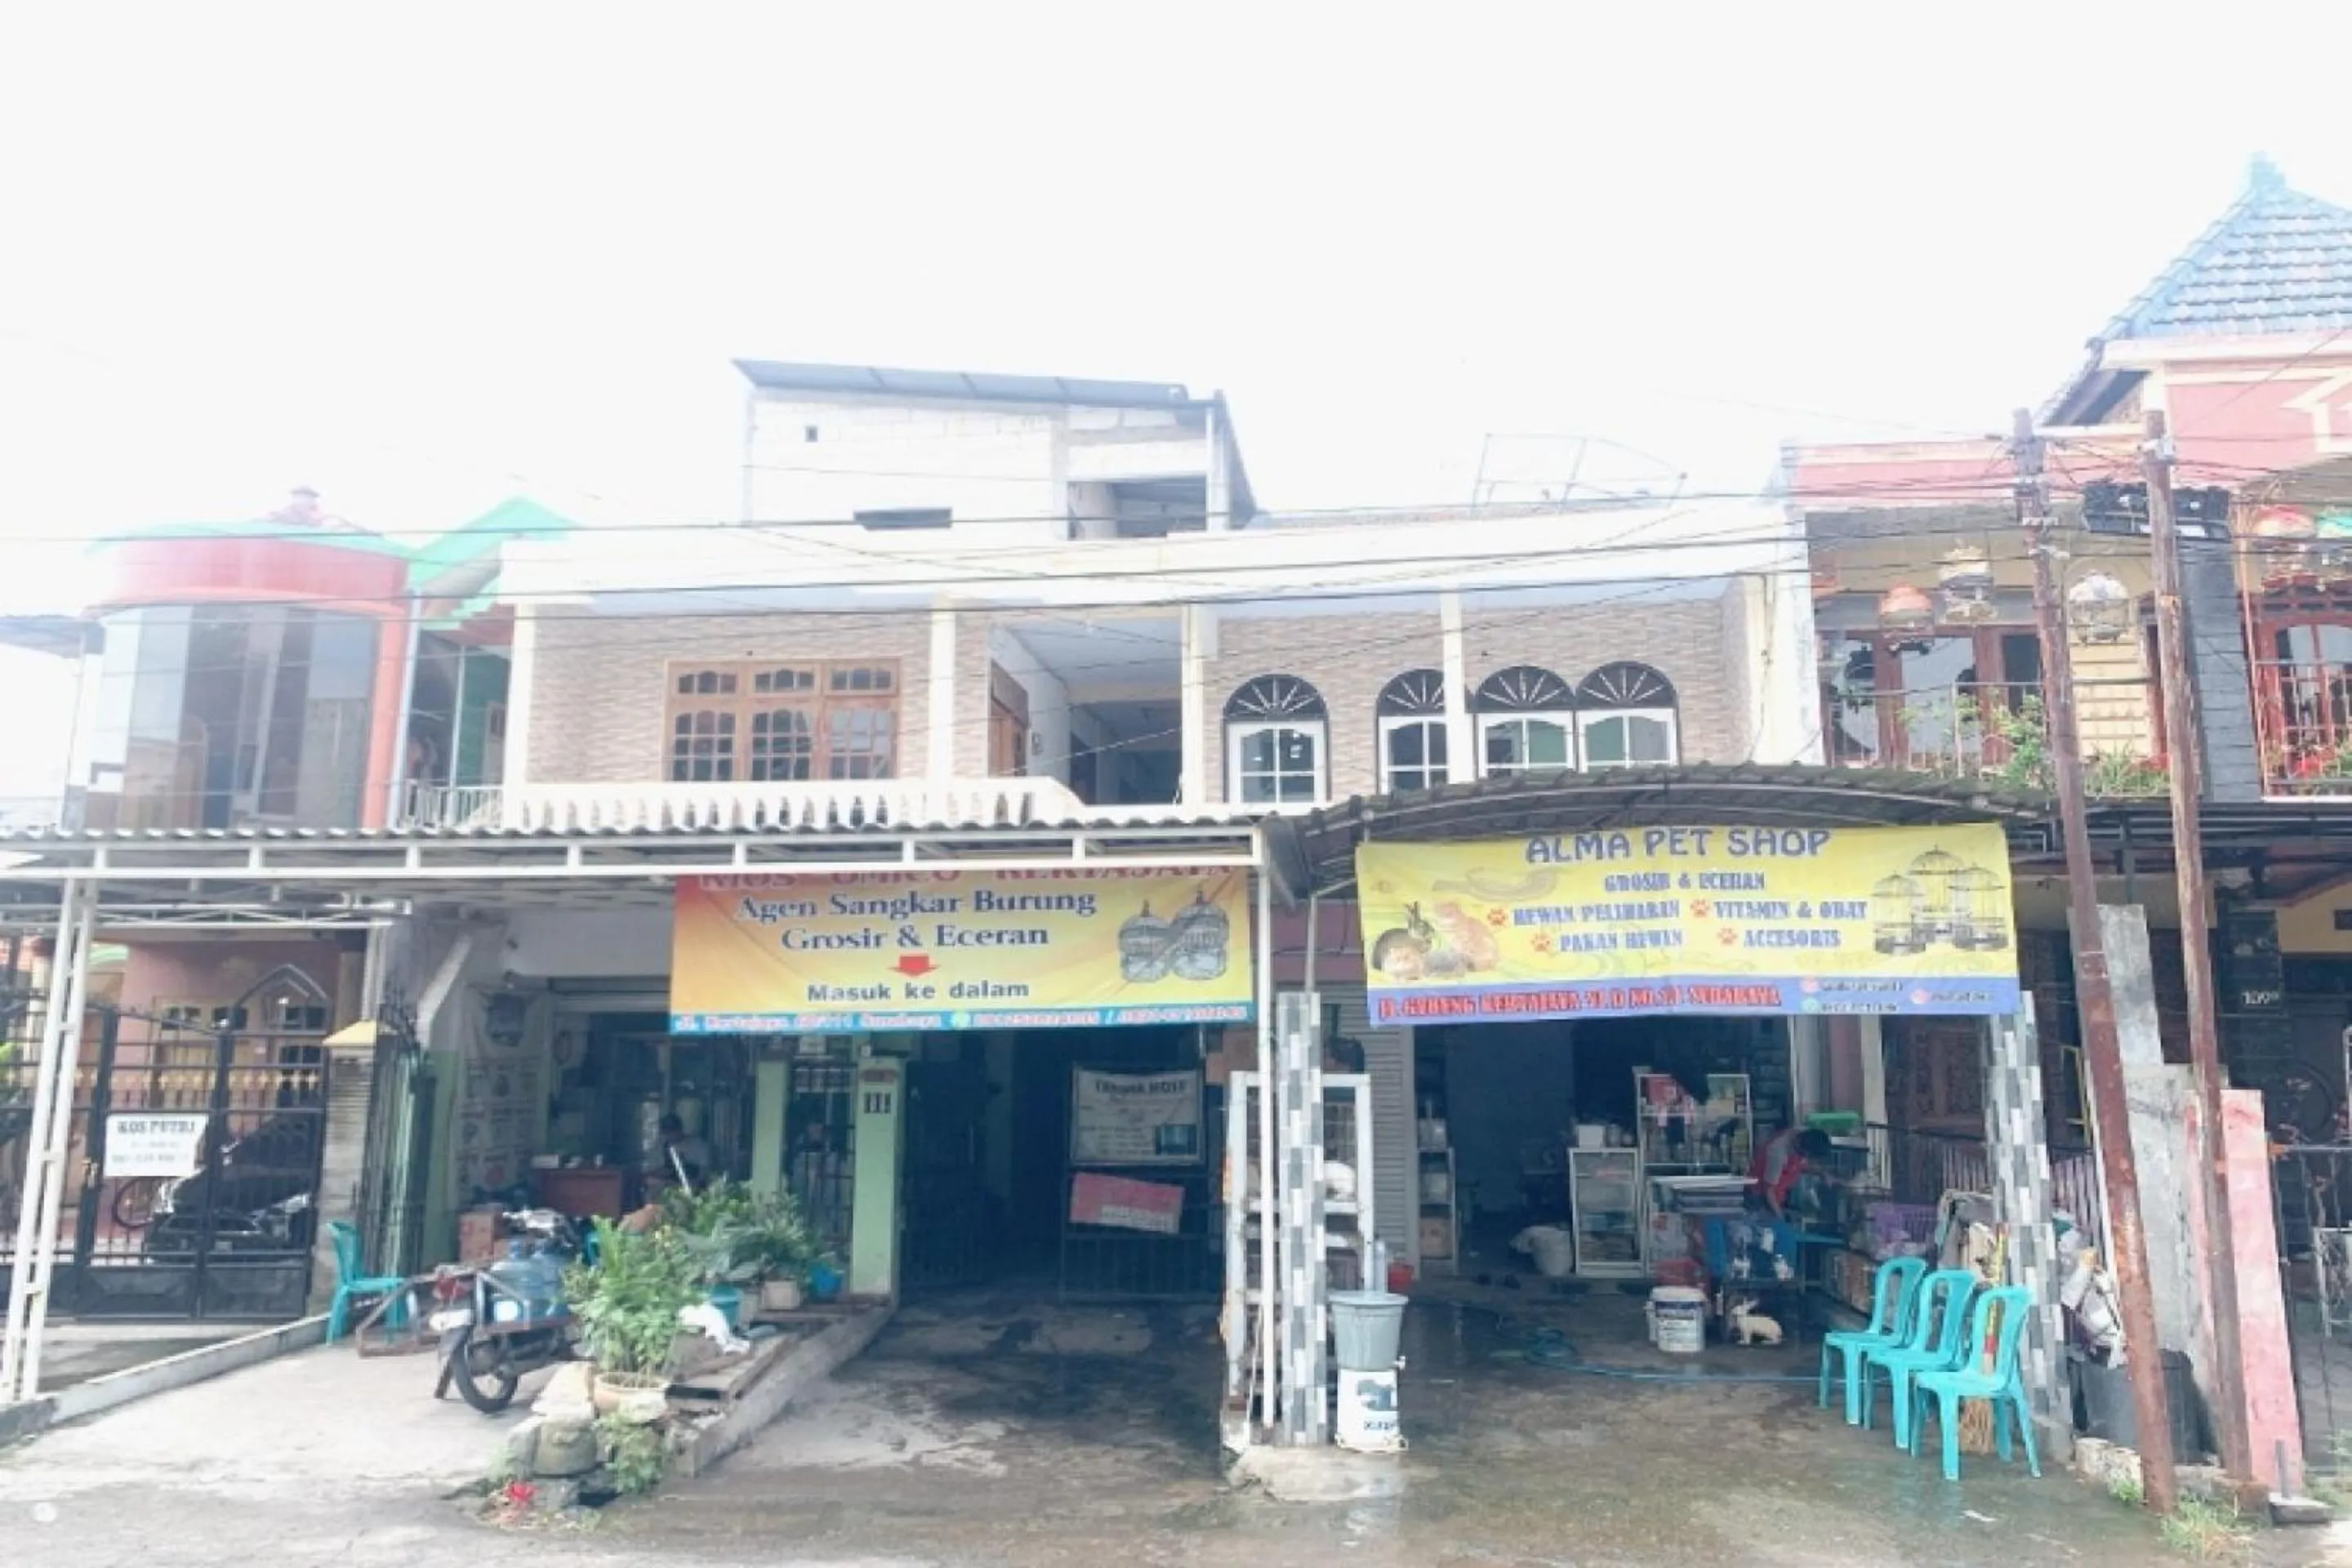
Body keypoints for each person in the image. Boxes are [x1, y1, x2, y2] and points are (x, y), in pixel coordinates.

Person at [1748, 1125, 1831, 1218]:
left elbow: (1802, 1165)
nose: (1805, 1158)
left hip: (1778, 1196)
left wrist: (1821, 1173)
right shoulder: (1777, 1153)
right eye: (1804, 1154)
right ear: (1799, 1145)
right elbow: (1768, 1191)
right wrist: (1780, 1217)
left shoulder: (1803, 1135)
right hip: (1761, 1197)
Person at [656, 1113, 713, 1187]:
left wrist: (695, 1184)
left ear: (680, 1129)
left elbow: (705, 1171)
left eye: (673, 1131)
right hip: (673, 1185)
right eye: (666, 1132)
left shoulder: (698, 1146)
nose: (670, 1135)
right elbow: (668, 1169)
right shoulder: (667, 1146)